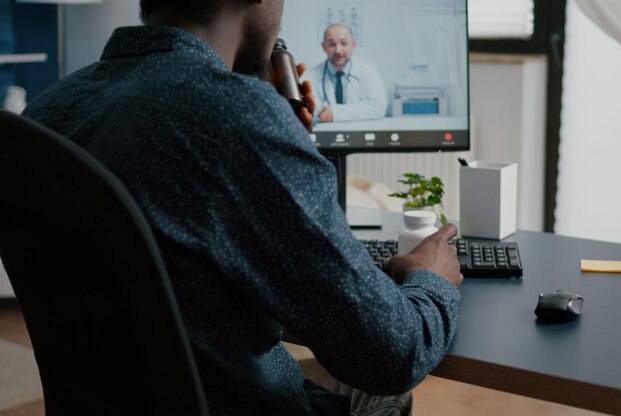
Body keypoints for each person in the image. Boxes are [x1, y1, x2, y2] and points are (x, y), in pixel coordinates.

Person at [22, 1, 462, 415]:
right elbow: (392, 354)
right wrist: (431, 278)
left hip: (125, 398)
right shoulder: (235, 114)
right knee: (390, 388)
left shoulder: (49, 111)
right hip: (231, 400)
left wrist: (275, 140)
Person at [307, 23, 387, 123]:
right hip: (324, 135)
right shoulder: (310, 76)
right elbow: (308, 112)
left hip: (358, 134)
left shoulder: (368, 72)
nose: (338, 50)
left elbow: (378, 107)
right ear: (324, 46)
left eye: (343, 43)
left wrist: (335, 113)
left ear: (353, 45)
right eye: (332, 44)